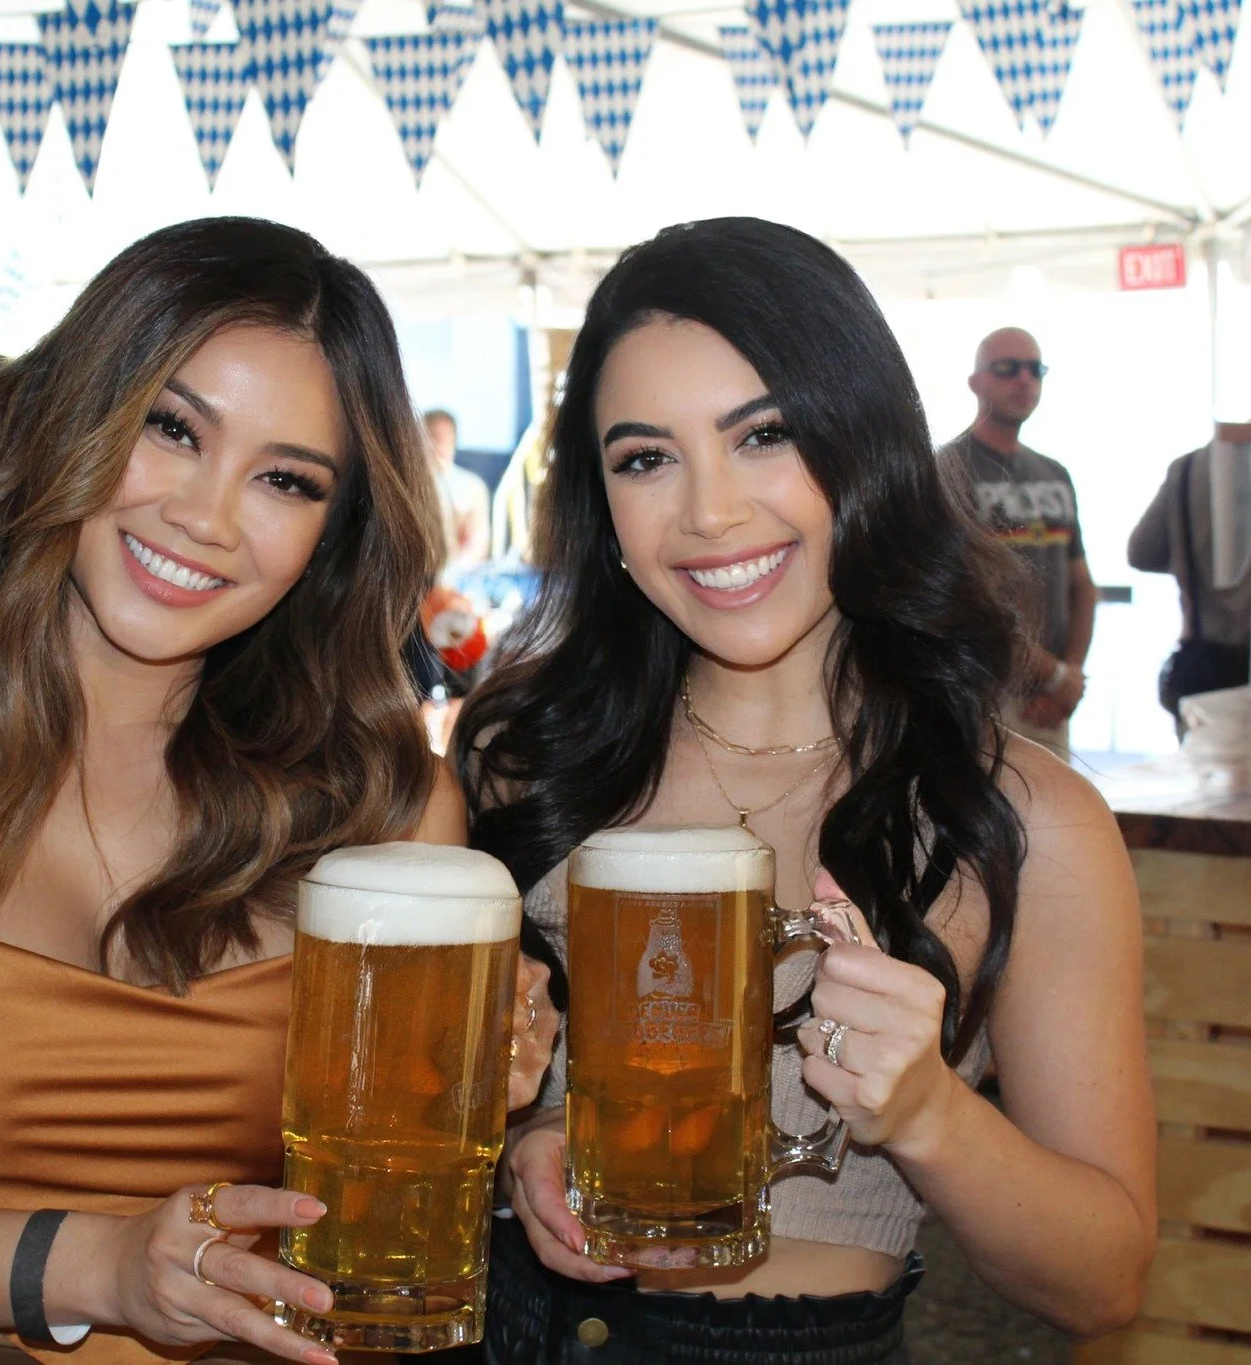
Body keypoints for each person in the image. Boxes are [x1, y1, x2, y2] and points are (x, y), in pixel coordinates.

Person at [0, 218, 557, 1364]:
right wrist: (101, 1267)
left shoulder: (386, 812)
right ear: (72, 413)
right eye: (171, 427)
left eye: (284, 480)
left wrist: (495, 1096)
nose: (204, 517)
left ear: (332, 535)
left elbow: (386, 1225)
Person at [456, 220, 1154, 1363]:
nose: (709, 512)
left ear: (863, 444)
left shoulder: (1021, 816)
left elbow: (1102, 1282)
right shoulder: (521, 756)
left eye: (762, 436)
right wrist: (525, 1142)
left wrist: (928, 1114)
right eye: (645, 459)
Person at [1130, 343, 1251, 733]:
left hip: (1208, 661)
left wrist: (1194, 556)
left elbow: (1142, 552)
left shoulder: (1190, 468)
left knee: (1208, 768)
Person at [938, 329, 1096, 760]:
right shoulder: (946, 472)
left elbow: (1082, 585)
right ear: (975, 383)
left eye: (1035, 369)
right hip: (981, 698)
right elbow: (967, 601)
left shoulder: (1054, 473)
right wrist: (1055, 676)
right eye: (1007, 368)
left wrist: (1069, 677)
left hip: (1051, 704)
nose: (1024, 380)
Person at [425, 408, 491, 575]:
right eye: (432, 438)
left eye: (444, 439)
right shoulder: (408, 489)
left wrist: (452, 573)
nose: (437, 446)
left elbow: (478, 546)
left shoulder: (472, 487)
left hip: (459, 578)